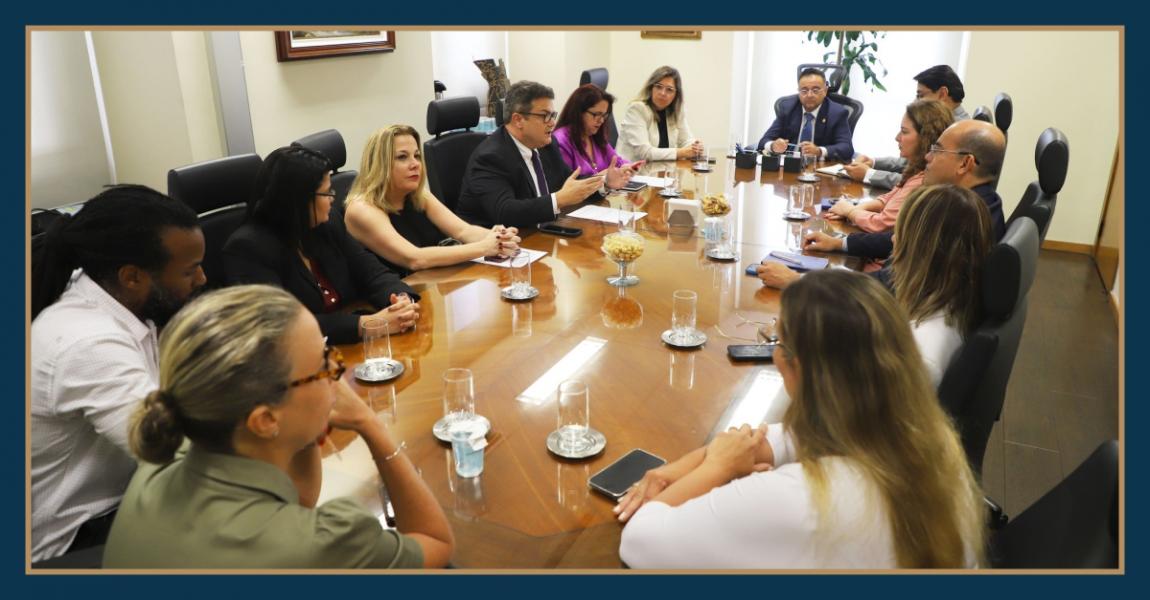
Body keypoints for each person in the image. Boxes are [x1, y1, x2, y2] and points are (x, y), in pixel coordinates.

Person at [616, 270, 985, 569]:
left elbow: (640, 540)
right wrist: (673, 472)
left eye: (779, 342)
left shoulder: (800, 498)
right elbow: (767, 441)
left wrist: (714, 469)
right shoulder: (927, 438)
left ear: (799, 366)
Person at [102, 285, 454, 568]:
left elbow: (298, 500)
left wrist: (307, 421)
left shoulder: (171, 448)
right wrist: (369, 423)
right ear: (266, 419)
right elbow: (436, 543)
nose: (338, 369)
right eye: (323, 365)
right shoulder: (329, 542)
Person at [30, 185, 206, 562]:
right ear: (132, 277)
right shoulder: (89, 344)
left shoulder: (119, 301)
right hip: (74, 540)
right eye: (190, 271)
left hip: (125, 497)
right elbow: (172, 454)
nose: (202, 280)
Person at [758, 184, 993, 386]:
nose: (892, 239)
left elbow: (849, 420)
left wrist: (791, 346)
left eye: (900, 232)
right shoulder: (946, 303)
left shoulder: (921, 355)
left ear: (923, 248)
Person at [222, 145, 419, 345]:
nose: (333, 199)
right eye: (326, 193)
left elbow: (371, 271)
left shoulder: (327, 222)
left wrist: (400, 300)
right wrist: (369, 324)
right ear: (298, 201)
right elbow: (279, 326)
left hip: (354, 346)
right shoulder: (248, 249)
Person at [801, 119, 1007, 262]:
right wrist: (840, 243)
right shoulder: (978, 201)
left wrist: (801, 285)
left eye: (937, 150)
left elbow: (890, 285)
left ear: (965, 164)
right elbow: (898, 239)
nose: (928, 157)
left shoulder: (959, 216)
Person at [344, 124, 521, 277]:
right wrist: (484, 247)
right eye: (402, 157)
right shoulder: (362, 208)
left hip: (431, 282)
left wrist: (498, 237)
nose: (415, 164)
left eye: (417, 155)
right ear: (379, 164)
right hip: (396, 299)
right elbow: (414, 259)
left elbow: (462, 230)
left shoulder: (417, 194)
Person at [455, 80, 635, 229]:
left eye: (553, 115)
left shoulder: (545, 146)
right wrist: (559, 199)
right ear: (518, 120)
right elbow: (505, 211)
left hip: (537, 236)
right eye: (545, 116)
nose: (552, 123)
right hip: (493, 251)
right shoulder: (491, 157)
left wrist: (604, 183)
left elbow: (570, 183)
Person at [823, 99, 953, 234]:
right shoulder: (918, 168)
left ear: (925, 137)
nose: (897, 137)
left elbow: (881, 224)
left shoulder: (925, 179)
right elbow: (889, 198)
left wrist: (850, 211)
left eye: (904, 131)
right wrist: (855, 209)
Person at [844, 65, 971, 189]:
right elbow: (917, 162)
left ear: (942, 94)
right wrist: (873, 162)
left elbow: (925, 181)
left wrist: (870, 174)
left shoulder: (955, 132)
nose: (916, 102)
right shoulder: (948, 122)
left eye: (921, 95)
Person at [756, 67, 854, 161]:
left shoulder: (837, 113)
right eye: (804, 90)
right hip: (788, 167)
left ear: (825, 91)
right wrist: (773, 146)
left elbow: (847, 148)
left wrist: (819, 151)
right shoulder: (787, 108)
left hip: (819, 169)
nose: (809, 95)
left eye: (815, 90)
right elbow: (764, 141)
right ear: (798, 91)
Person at [553, 84, 644, 175]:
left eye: (604, 115)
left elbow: (618, 162)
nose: (601, 120)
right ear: (579, 112)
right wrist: (604, 176)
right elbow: (567, 183)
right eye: (596, 114)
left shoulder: (595, 136)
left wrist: (629, 167)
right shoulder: (561, 141)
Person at [617, 66, 702, 162]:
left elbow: (686, 140)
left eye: (669, 89)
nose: (663, 93)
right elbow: (645, 153)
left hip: (661, 171)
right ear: (651, 88)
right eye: (658, 87)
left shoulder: (676, 112)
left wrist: (695, 147)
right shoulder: (637, 109)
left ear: (676, 95)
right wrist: (681, 152)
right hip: (631, 173)